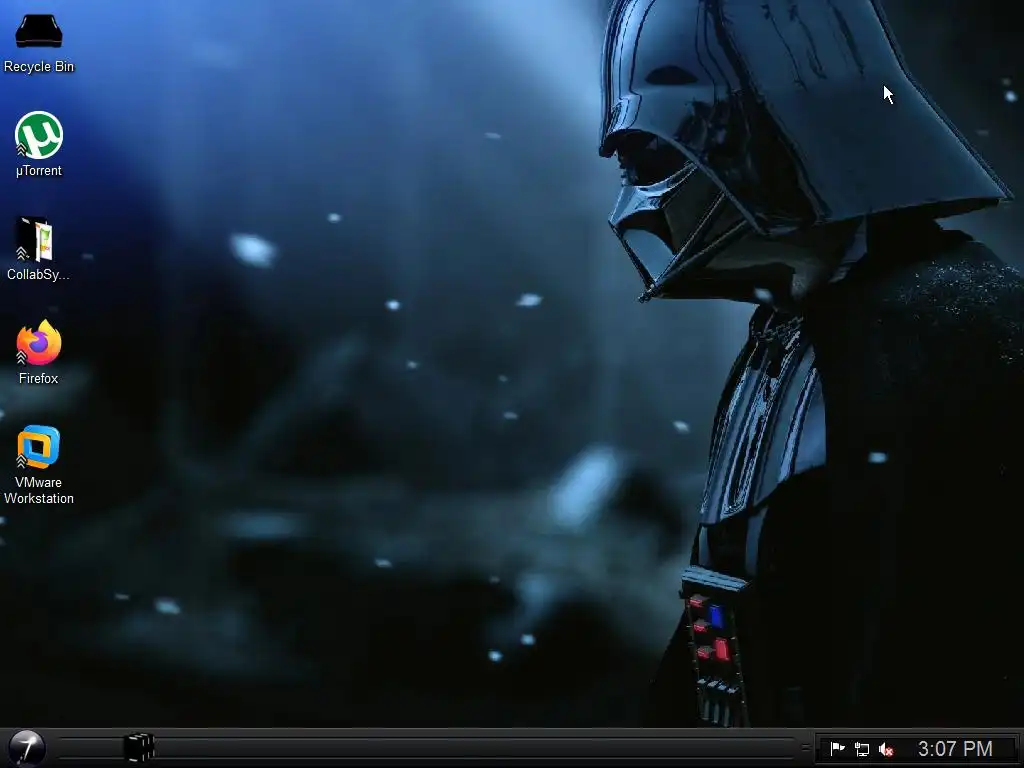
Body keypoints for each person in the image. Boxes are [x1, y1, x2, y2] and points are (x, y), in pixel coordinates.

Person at [597, 0, 1024, 727]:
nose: (639, 197)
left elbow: (949, 646)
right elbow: (730, 592)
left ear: (758, 140)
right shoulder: (796, 325)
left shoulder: (959, 332)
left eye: (654, 157)